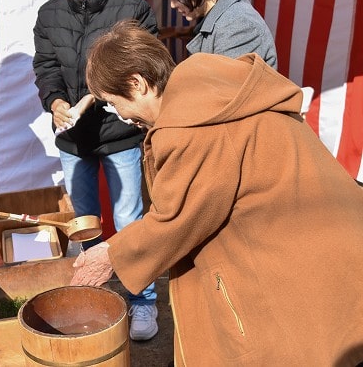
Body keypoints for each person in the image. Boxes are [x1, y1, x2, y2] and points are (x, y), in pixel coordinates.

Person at [71, 19, 363, 365]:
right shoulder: (216, 89)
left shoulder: (189, 127)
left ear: (137, 83)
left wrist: (110, 255)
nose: (120, 116)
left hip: (302, 271)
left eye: (113, 103)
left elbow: (175, 220)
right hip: (336, 251)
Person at [32, 0, 161, 341]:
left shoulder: (132, 6)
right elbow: (46, 66)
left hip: (120, 132)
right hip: (72, 139)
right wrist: (54, 102)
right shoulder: (49, 13)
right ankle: (92, 301)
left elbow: (145, 67)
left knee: (129, 221)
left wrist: (96, 95)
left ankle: (143, 302)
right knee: (84, 226)